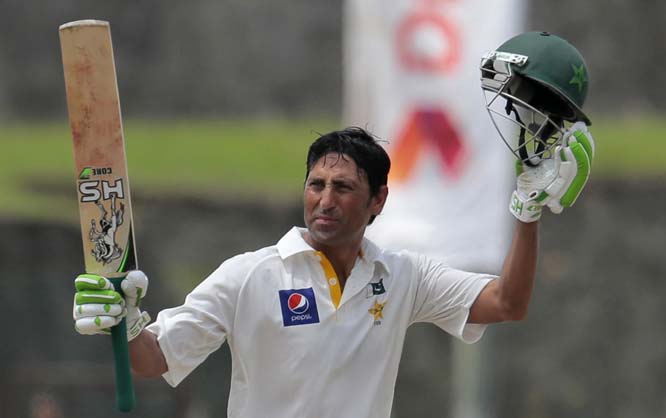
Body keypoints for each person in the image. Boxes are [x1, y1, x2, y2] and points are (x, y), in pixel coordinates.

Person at [73, 32, 595, 418]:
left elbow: (509, 303)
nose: (324, 200)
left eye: (343, 188)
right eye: (316, 185)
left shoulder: (402, 277)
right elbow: (153, 358)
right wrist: (122, 320)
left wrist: (525, 214)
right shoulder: (249, 276)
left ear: (378, 201)